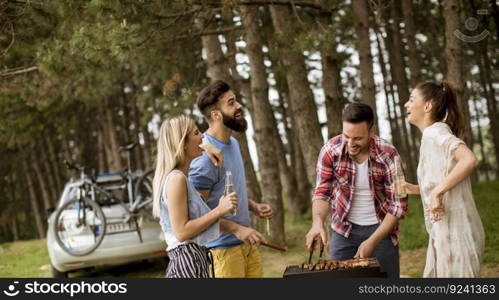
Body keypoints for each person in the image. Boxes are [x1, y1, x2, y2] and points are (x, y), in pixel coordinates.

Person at [305, 103, 408, 278]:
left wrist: (373, 241)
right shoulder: (330, 151)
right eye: (347, 136)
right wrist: (317, 222)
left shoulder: (388, 154)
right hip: (343, 230)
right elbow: (323, 192)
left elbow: (398, 205)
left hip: (381, 230)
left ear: (372, 131)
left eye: (358, 138)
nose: (351, 144)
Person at [189, 80, 273, 278]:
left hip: (245, 244)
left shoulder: (233, 143)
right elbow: (197, 214)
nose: (239, 106)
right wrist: (236, 229)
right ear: (216, 115)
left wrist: (252, 205)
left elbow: (226, 192)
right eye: (231, 103)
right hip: (221, 252)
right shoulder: (203, 160)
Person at [403, 80, 485, 277]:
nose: (406, 104)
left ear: (428, 106)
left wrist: (437, 192)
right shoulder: (433, 134)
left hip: (457, 232)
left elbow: (469, 160)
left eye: (411, 99)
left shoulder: (435, 132)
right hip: (448, 233)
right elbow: (443, 179)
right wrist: (415, 188)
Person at [152, 115, 238, 278]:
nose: (203, 136)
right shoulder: (176, 179)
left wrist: (207, 147)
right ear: (183, 144)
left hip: (191, 257)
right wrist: (219, 210)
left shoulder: (180, 177)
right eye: (196, 132)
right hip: (188, 259)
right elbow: (182, 232)